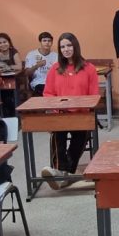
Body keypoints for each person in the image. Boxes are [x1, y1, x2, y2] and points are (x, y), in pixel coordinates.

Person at [40, 33, 99, 190]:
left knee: (81, 136)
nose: (66, 49)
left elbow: (94, 95)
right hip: (61, 114)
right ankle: (60, 172)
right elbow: (48, 93)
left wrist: (84, 109)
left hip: (81, 115)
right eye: (62, 47)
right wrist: (55, 109)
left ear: (75, 46)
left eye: (69, 45)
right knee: (57, 133)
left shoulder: (89, 69)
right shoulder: (55, 69)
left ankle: (63, 173)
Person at [24, 32, 57, 96]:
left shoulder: (56, 56)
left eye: (49, 41)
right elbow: (26, 73)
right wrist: (37, 65)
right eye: (44, 41)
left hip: (53, 83)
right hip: (38, 83)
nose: (47, 43)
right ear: (40, 42)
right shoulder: (31, 54)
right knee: (43, 90)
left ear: (52, 43)